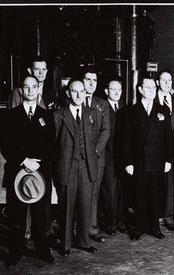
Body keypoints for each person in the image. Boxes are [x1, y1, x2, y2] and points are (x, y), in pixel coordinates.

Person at [1, 75, 55, 267]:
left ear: (39, 90)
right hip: (18, 171)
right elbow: (6, 145)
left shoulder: (46, 115)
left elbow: (50, 144)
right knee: (17, 214)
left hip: (40, 171)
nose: (30, 90)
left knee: (40, 214)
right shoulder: (10, 115)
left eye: (34, 87)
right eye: (26, 87)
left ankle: (42, 250)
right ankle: (15, 253)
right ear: (21, 91)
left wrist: (36, 163)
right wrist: (24, 160)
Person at [53, 79, 102, 256]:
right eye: (75, 91)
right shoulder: (59, 115)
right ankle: (65, 245)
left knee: (85, 205)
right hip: (68, 166)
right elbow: (54, 145)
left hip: (87, 165)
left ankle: (83, 241)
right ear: (68, 93)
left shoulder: (92, 114)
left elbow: (93, 139)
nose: (79, 95)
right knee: (66, 206)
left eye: (82, 91)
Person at [121, 77, 173, 240]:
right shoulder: (130, 111)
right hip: (139, 161)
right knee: (139, 195)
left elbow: (168, 138)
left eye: (153, 88)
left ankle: (154, 227)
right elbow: (126, 139)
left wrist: (168, 160)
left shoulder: (163, 110)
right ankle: (139, 227)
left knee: (155, 195)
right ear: (140, 90)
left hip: (157, 161)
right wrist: (128, 162)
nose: (151, 91)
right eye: (147, 88)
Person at [82, 68, 111, 243]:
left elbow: (106, 130)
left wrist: (94, 152)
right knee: (76, 193)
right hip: (76, 157)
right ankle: (75, 228)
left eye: (94, 80)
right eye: (88, 79)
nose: (92, 83)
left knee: (93, 193)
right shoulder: (71, 100)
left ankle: (92, 228)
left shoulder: (102, 104)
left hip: (96, 157)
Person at [154, 70, 174, 231]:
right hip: (154, 150)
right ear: (157, 82)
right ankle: (153, 216)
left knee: (170, 184)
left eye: (170, 80)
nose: (167, 83)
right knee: (154, 183)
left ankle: (168, 216)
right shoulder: (150, 100)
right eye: (164, 80)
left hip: (172, 150)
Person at [99, 78, 127, 235]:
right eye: (113, 89)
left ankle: (120, 220)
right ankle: (111, 224)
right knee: (109, 189)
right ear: (106, 91)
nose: (117, 92)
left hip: (122, 157)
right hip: (108, 155)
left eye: (119, 90)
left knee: (122, 190)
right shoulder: (102, 108)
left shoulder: (124, 108)